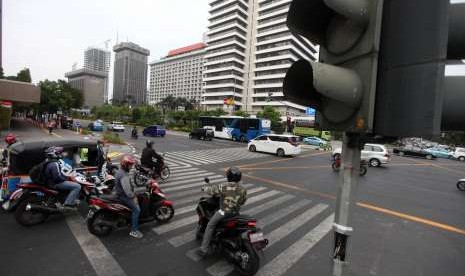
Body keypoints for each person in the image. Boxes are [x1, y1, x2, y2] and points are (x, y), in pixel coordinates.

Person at [197, 167, 247, 256]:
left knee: (210, 225)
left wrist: (204, 186)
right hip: (236, 213)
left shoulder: (224, 186)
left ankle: (203, 249)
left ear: (228, 176)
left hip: (223, 213)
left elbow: (211, 191)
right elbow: (243, 202)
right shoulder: (243, 189)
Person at [114, 155, 143, 239]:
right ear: (125, 165)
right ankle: (134, 231)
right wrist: (135, 195)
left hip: (119, 193)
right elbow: (128, 193)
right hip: (123, 196)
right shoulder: (124, 175)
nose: (131, 166)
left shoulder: (121, 171)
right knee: (137, 210)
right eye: (130, 165)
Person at [44, 146, 81, 211]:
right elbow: (57, 178)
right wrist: (67, 178)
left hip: (50, 182)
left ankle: (66, 199)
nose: (60, 154)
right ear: (54, 154)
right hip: (56, 183)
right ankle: (68, 204)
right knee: (77, 186)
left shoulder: (48, 161)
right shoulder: (54, 164)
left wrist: (67, 177)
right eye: (59, 153)